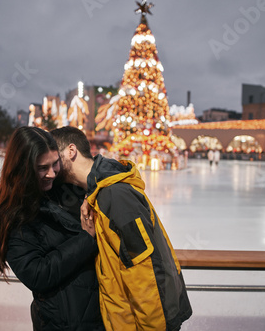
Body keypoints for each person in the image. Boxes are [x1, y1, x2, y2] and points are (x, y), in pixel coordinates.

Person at [50, 126, 192, 331]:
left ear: (71, 151)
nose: (51, 167)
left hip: (147, 322)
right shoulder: (98, 193)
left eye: (54, 157)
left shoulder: (114, 196)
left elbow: (144, 271)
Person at [0, 126, 104, 331]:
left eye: (55, 163)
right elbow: (37, 274)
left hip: (96, 312)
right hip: (63, 322)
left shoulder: (62, 187)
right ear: (23, 169)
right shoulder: (15, 214)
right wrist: (86, 239)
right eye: (41, 168)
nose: (51, 173)